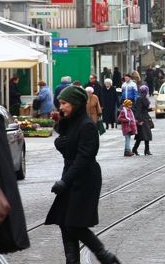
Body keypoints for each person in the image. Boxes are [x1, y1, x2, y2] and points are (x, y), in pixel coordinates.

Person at [44, 85, 121, 264]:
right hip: (71, 177)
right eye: (60, 103)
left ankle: (106, 257)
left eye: (64, 103)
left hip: (85, 180)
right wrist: (60, 124)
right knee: (64, 223)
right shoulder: (72, 122)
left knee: (74, 224)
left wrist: (64, 181)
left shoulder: (87, 126)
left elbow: (84, 158)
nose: (61, 107)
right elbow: (68, 145)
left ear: (76, 104)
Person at [131, 85, 153, 156]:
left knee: (141, 136)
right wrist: (138, 120)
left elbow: (143, 108)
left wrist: (150, 109)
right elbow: (138, 109)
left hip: (144, 117)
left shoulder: (141, 98)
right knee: (144, 135)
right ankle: (145, 150)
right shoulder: (141, 98)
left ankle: (137, 149)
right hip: (143, 119)